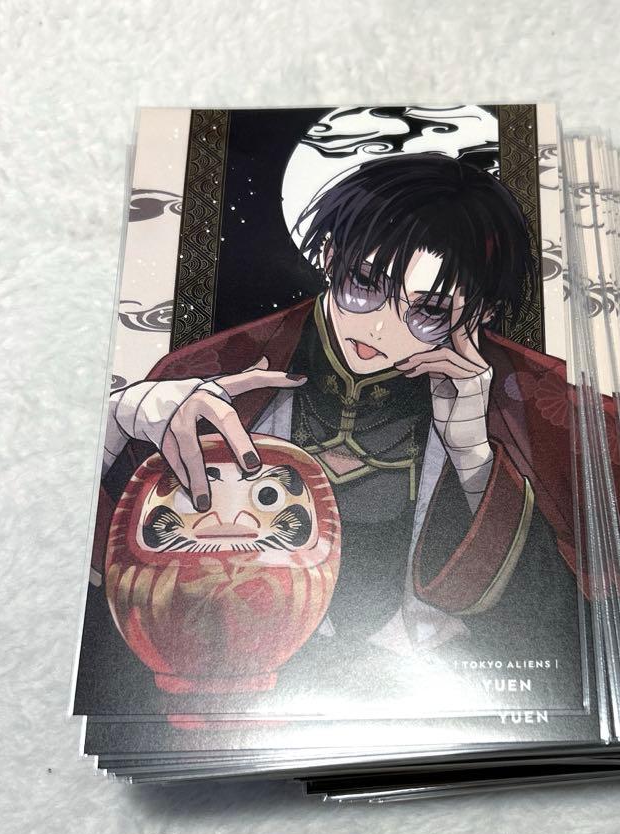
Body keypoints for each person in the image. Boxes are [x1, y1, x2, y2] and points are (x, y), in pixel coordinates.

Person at [93, 152, 582, 670]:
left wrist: (472, 457)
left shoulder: (529, 399)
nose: (379, 327)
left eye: (429, 310)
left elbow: (551, 626)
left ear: (480, 313)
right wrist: (115, 423)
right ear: (329, 256)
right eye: (364, 284)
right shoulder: (211, 370)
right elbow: (100, 587)